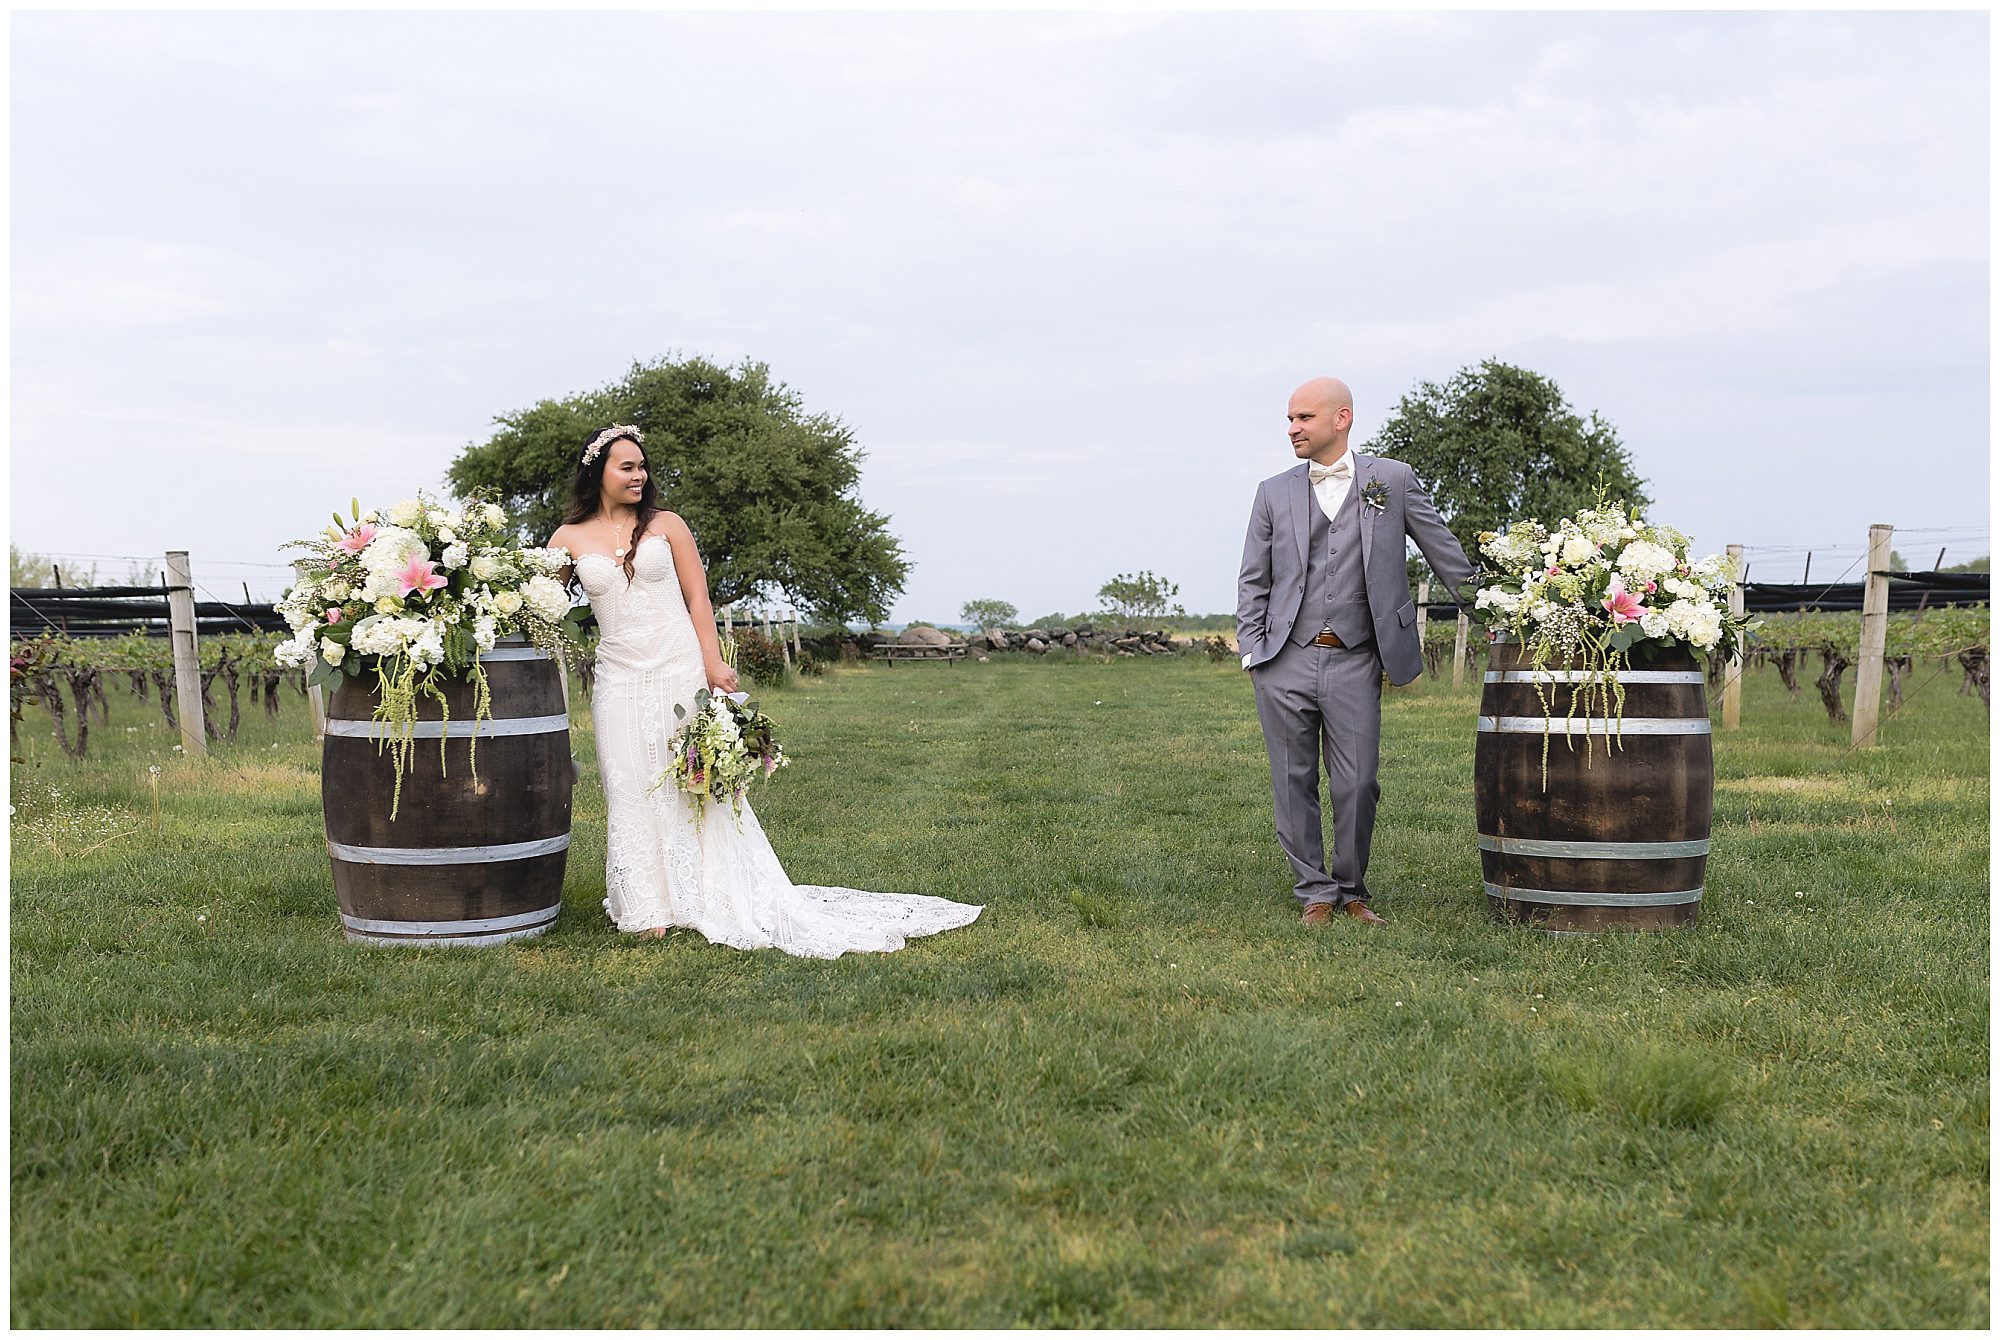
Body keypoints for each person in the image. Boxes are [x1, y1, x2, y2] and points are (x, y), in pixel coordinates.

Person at [548, 424, 983, 956]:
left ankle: (701, 894)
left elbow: (699, 599)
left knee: (690, 780)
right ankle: (644, 904)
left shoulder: (667, 525)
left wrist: (713, 663)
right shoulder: (567, 538)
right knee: (628, 782)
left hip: (678, 668)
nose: (639, 476)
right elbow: (544, 604)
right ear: (599, 472)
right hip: (617, 676)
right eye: (627, 467)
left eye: (642, 467)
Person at [1236, 378, 1473, 926]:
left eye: (1304, 418)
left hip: (1357, 656)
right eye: (1290, 419)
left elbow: (1443, 550)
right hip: (1283, 659)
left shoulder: (1392, 480)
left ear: (1341, 418)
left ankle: (1351, 888)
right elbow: (1253, 578)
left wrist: (1501, 607)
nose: (1292, 429)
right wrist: (1253, 652)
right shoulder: (1272, 492)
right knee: (1292, 780)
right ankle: (1315, 892)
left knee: (1358, 781)